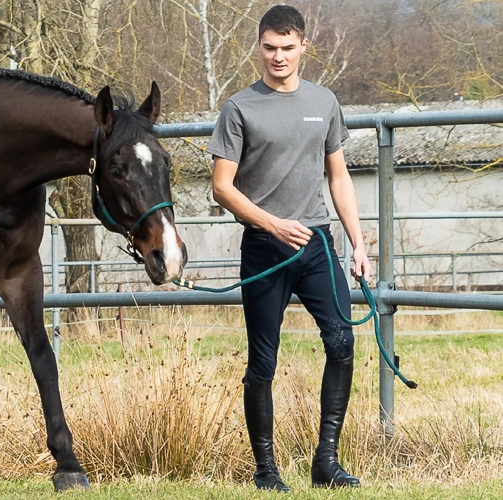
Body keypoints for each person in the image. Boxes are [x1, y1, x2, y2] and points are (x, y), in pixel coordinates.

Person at [207, 5, 372, 491]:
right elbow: (222, 187)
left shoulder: (325, 101)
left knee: (342, 342)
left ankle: (327, 462)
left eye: (287, 47)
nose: (278, 57)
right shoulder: (239, 108)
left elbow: (338, 176)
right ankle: (266, 471)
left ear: (303, 46)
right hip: (265, 247)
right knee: (263, 361)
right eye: (270, 47)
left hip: (317, 242)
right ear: (259, 47)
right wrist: (273, 224)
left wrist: (359, 243)